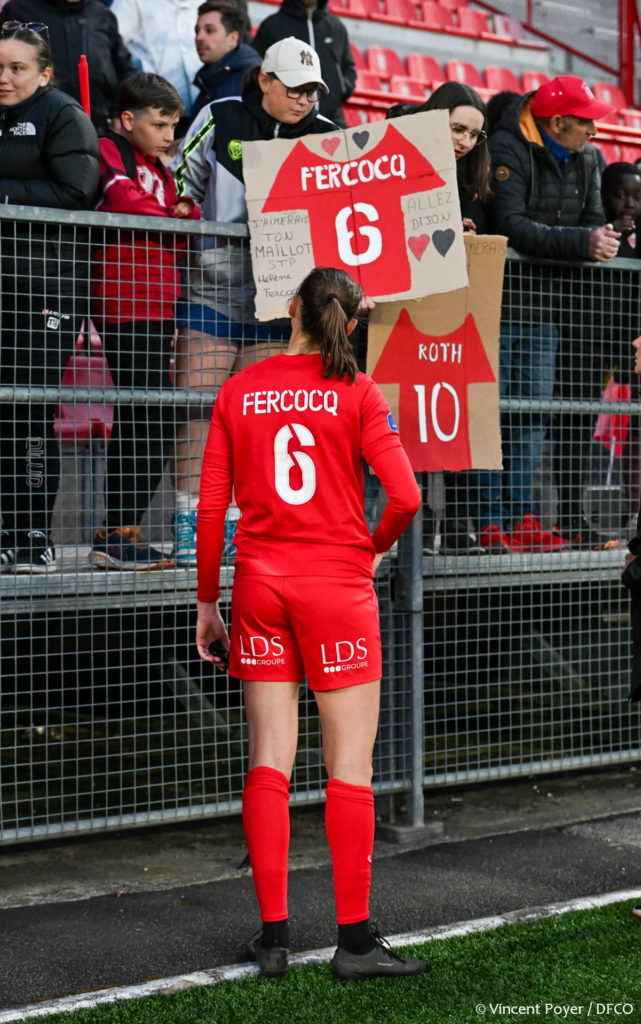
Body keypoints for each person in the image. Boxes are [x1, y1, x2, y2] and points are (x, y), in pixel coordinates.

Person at [195, 265, 425, 981]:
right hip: (336, 588)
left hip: (260, 586)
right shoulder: (359, 390)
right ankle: (353, 943)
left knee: (268, 759)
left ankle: (273, 938)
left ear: (290, 309)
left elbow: (211, 508)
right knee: (348, 767)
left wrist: (207, 601)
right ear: (350, 324)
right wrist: (371, 548)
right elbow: (406, 497)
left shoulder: (238, 389)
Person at [170, 36, 335, 567]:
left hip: (280, 299)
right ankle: (191, 521)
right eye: (294, 89)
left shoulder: (327, 135)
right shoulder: (220, 115)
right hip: (213, 287)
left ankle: (240, 524)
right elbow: (182, 180)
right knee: (200, 405)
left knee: (256, 418)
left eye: (312, 91)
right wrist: (182, 207)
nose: (304, 100)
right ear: (264, 80)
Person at [476, 75, 621, 553]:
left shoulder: (589, 157)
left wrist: (589, 239)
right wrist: (581, 244)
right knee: (491, 416)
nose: (594, 131)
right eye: (586, 123)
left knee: (532, 418)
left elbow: (592, 219)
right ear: (557, 123)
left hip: (546, 309)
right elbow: (510, 225)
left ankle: (520, 518)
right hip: (496, 306)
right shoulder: (506, 146)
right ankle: (488, 521)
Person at [88, 72, 200, 570]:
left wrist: (176, 215)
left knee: (153, 413)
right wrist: (171, 216)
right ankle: (116, 533)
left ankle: (122, 531)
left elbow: (184, 223)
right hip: (124, 300)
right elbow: (121, 199)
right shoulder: (109, 148)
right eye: (159, 125)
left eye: (174, 127)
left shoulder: (161, 168)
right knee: (144, 411)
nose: (169, 137)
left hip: (160, 303)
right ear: (128, 119)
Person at [0, 22, 99, 573]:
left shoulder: (62, 114)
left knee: (30, 410)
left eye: (16, 68)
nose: (5, 78)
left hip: (45, 288)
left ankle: (34, 532)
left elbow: (74, 190)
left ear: (44, 73)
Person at [388, 81, 492, 554]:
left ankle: (448, 528)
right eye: (457, 129)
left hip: (444, 317)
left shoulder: (469, 177)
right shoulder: (394, 153)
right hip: (393, 317)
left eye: (474, 134)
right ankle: (391, 531)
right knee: (394, 423)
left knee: (446, 418)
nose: (465, 142)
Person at [0, 0, 135, 133]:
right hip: (32, 127)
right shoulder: (18, 11)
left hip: (96, 127)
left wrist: (118, 112)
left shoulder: (102, 15)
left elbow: (124, 70)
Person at [252, 0, 355, 128]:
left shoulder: (337, 27)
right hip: (283, 122)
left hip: (331, 116)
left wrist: (341, 89)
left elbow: (348, 67)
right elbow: (256, 67)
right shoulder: (272, 24)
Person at [189, 0, 260, 123]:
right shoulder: (210, 76)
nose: (199, 37)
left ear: (233, 38)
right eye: (197, 31)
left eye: (209, 30)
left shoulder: (251, 81)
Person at [601, 162, 641, 259]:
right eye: (620, 196)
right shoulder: (592, 228)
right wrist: (612, 232)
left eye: (637, 197)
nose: (630, 204)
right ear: (603, 195)